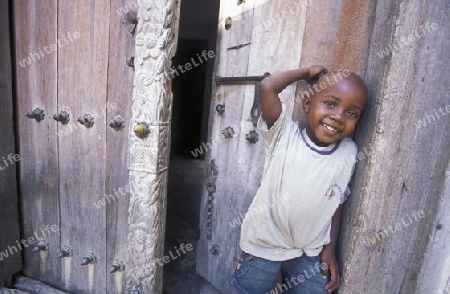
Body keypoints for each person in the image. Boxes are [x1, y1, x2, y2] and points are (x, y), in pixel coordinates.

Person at [231, 65, 369, 294]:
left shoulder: (348, 152)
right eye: (331, 103)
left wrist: (330, 249)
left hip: (308, 251)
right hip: (264, 246)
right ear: (307, 104)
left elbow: (336, 200)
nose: (338, 116)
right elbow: (268, 87)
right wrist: (305, 73)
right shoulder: (285, 135)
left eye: (351, 113)